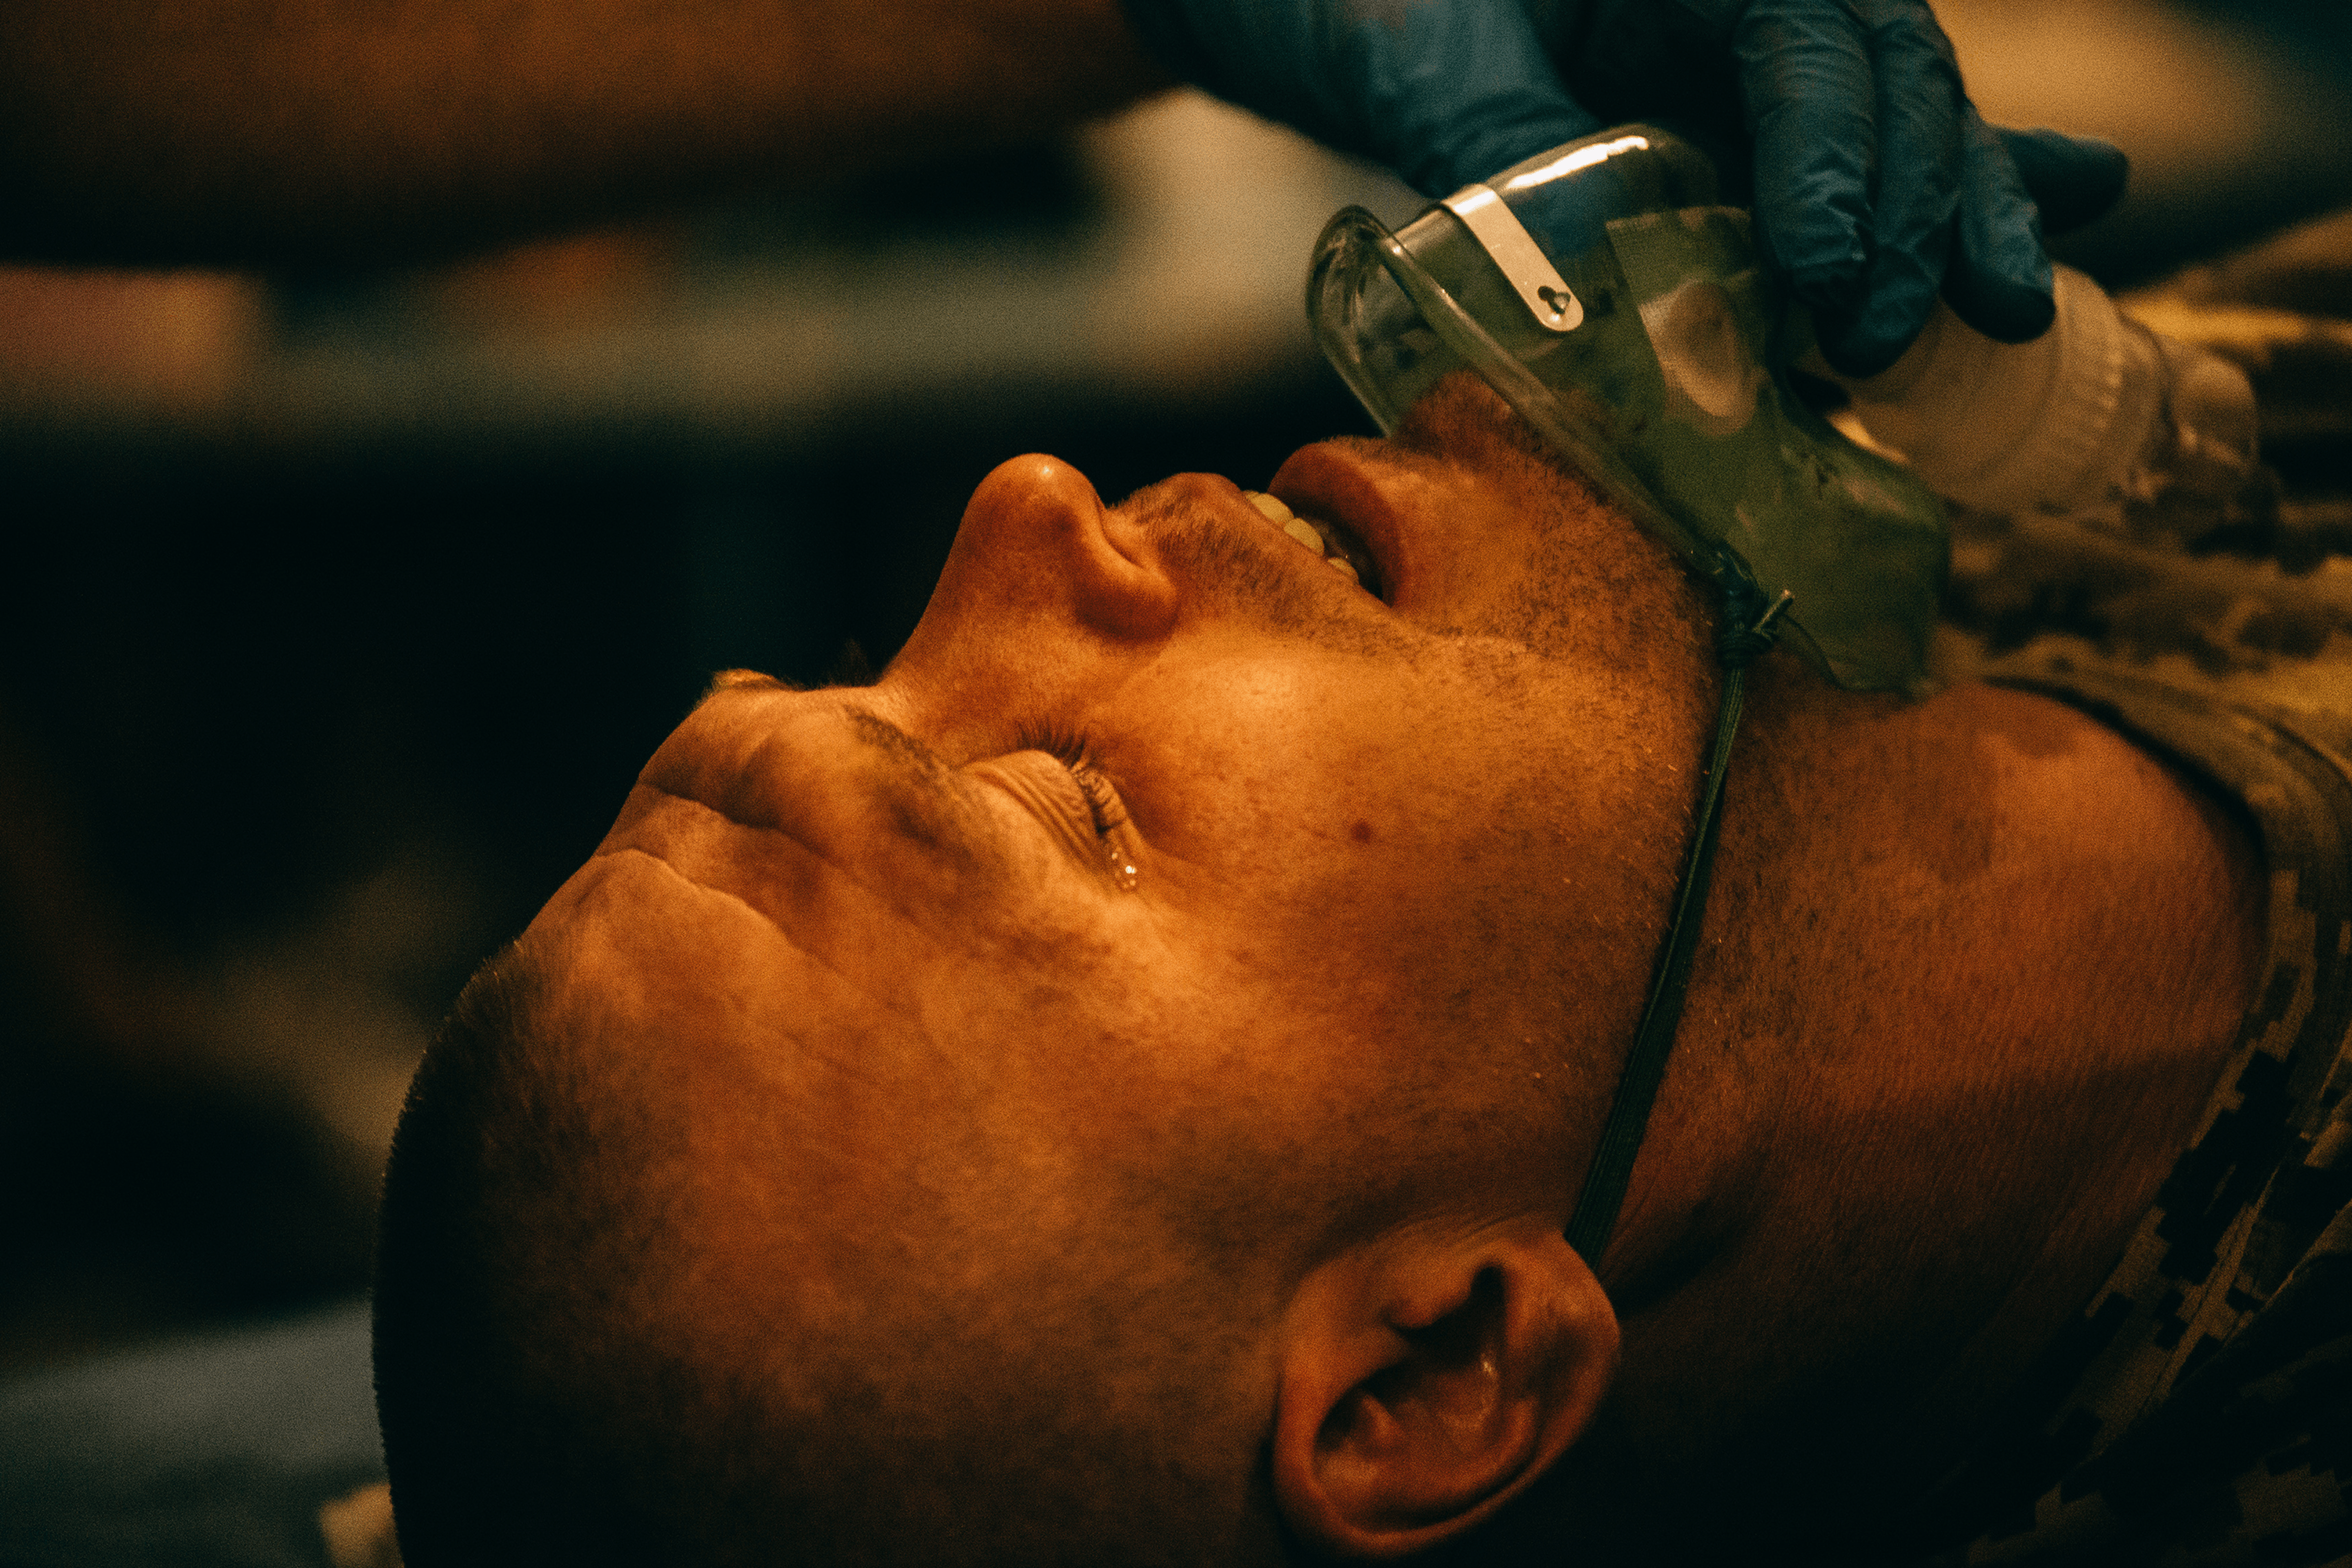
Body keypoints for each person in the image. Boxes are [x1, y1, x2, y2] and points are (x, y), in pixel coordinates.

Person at [369, 347, 2351, 1562]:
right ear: (1440, 1371)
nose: (1027, 509)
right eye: (1060, 798)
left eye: (848, 668)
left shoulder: (1955, 477)